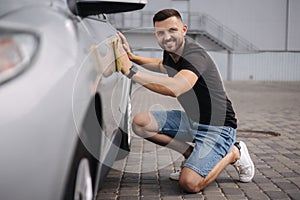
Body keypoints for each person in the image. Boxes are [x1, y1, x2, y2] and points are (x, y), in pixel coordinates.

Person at [116, 8, 255, 193]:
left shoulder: (194, 55)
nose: (167, 37)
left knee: (189, 183)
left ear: (184, 29)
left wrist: (131, 72)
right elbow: (161, 65)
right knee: (141, 124)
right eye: (161, 32)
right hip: (193, 121)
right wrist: (132, 57)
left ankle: (234, 152)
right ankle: (190, 155)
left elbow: (176, 88)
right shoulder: (171, 52)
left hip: (218, 128)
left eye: (172, 30)